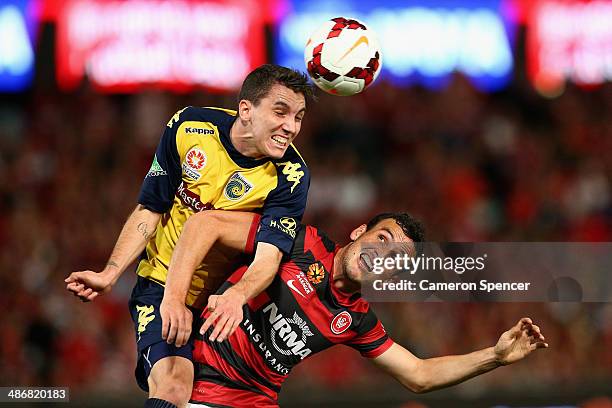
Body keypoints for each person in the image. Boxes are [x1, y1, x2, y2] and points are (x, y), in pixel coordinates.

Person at [65, 64, 314, 408]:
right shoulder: (190, 126)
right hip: (161, 287)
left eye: (298, 117)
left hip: (224, 305)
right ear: (246, 109)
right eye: (280, 112)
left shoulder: (291, 175)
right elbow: (150, 208)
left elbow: (268, 258)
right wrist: (111, 272)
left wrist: (236, 297)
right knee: (172, 386)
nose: (291, 127)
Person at [165, 210, 548, 408]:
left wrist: (494, 357)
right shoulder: (298, 241)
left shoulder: (357, 321)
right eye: (381, 239)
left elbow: (418, 374)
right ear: (358, 231)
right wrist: (174, 300)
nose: (381, 255)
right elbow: (207, 224)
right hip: (197, 379)